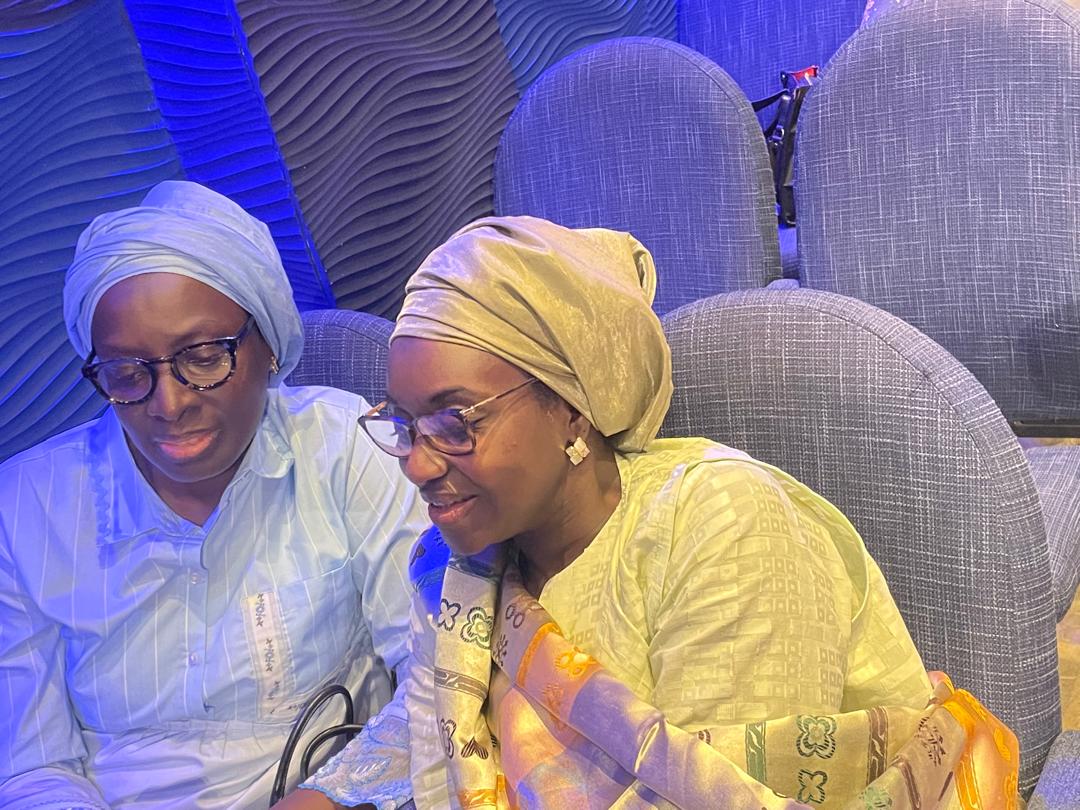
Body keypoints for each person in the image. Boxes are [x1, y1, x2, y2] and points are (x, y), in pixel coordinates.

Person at [282, 216, 1019, 809]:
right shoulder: (456, 563)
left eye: (456, 421)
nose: (416, 464)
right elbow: (421, 732)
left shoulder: (719, 525)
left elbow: (723, 795)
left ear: (571, 409)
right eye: (404, 424)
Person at [0, 181, 428, 809]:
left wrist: (331, 797)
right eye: (127, 373)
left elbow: (438, 674)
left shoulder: (346, 449)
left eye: (203, 358)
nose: (168, 405)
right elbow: (32, 767)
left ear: (269, 346)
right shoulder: (22, 509)